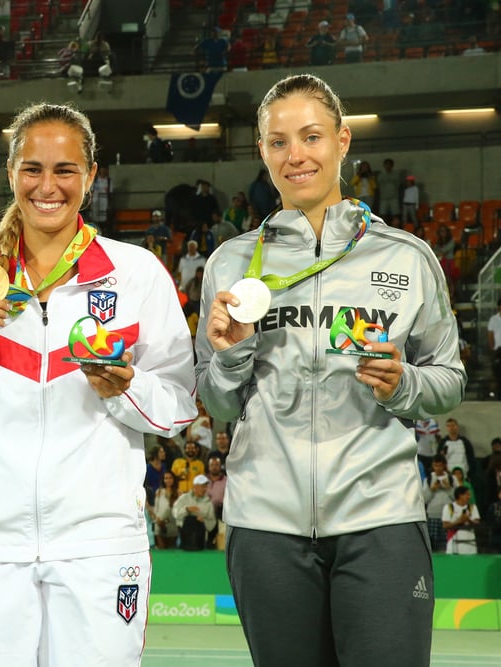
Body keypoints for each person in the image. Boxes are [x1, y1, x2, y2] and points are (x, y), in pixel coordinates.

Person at [195, 74, 465, 666]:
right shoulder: (232, 263)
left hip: (380, 520)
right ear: (263, 153)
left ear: (342, 141)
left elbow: (448, 379)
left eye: (311, 136)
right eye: (278, 142)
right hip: (266, 524)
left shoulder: (406, 256)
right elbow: (215, 402)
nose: (296, 155)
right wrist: (234, 353)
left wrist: (405, 385)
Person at [0, 103, 197, 665]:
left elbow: (179, 408)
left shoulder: (136, 275)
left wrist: (125, 388)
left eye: (65, 170)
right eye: (33, 169)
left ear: (91, 176)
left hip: (99, 546)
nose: (48, 186)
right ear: (11, 174)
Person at [173, 474, 216, 551]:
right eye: (202, 486)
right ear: (195, 486)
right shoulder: (183, 498)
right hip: (183, 538)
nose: (204, 489)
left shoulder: (208, 503)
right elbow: (175, 513)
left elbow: (212, 522)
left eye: (206, 486)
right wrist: (186, 509)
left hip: (201, 541)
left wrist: (204, 521)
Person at [442, 486, 480, 554]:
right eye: (467, 494)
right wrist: (459, 521)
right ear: (460, 495)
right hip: (453, 541)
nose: (469, 497)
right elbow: (445, 526)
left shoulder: (472, 507)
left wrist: (468, 520)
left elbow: (477, 524)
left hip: (470, 542)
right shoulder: (449, 507)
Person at [152, 469, 180, 549]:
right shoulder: (159, 492)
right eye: (166, 478)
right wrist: (157, 520)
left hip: (173, 523)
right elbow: (156, 508)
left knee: (171, 549)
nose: (168, 480)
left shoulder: (179, 492)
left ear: (174, 479)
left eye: (170, 478)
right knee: (161, 549)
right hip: (160, 523)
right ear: (163, 480)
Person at [489, 298, 501, 399]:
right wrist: (492, 349)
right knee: (497, 372)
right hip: (498, 350)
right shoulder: (493, 319)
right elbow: (490, 335)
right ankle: (495, 394)